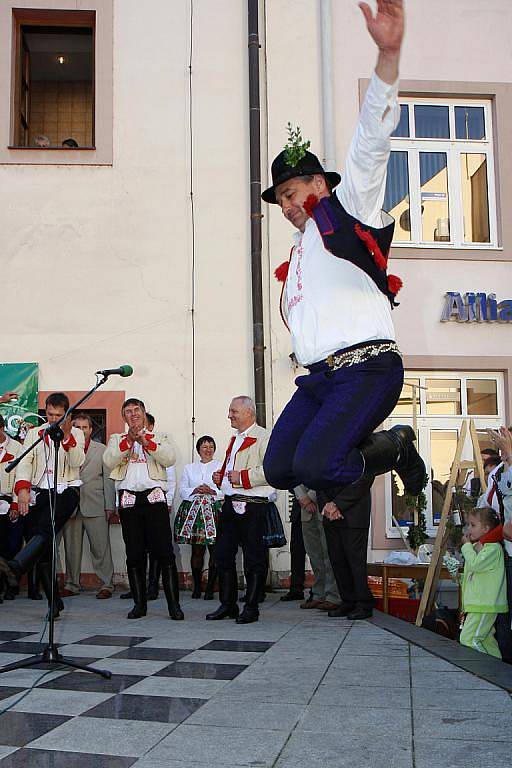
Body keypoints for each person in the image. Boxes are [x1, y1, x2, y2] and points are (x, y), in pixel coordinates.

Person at [261, 0, 425, 522]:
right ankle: (342, 471)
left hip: (367, 367)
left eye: (293, 192)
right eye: (280, 199)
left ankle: (396, 446)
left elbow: (371, 146)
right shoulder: (299, 253)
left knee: (315, 461)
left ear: (320, 184)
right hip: (319, 379)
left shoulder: (346, 210)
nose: (288, 206)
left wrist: (388, 56)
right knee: (281, 467)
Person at [0, 392, 85, 619]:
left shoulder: (76, 433)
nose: (53, 419)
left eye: (58, 415)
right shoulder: (34, 433)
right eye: (49, 414)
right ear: (45, 412)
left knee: (44, 529)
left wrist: (66, 437)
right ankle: (54, 602)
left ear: (67, 413)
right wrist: (23, 491)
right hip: (40, 491)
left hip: (67, 489)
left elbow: (78, 462)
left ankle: (17, 565)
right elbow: (25, 462)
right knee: (44, 549)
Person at [103, 398, 183, 620]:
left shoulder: (160, 437)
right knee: (134, 554)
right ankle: (140, 604)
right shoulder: (117, 438)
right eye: (128, 412)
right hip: (129, 500)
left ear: (145, 413)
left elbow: (169, 458)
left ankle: (173, 605)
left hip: (154, 498)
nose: (133, 414)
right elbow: (109, 461)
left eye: (136, 410)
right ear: (124, 417)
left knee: (165, 553)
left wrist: (146, 440)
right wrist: (129, 440)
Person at [206, 396, 276, 624]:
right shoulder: (235, 438)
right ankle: (228, 604)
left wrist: (242, 477)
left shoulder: (265, 437)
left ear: (249, 412)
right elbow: (233, 470)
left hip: (254, 505)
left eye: (233, 411)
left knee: (254, 557)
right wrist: (222, 478)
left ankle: (252, 606)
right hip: (230, 502)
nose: (229, 415)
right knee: (222, 554)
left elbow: (272, 470)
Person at [61, 412, 116, 599]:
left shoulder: (101, 449)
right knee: (71, 549)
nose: (82, 431)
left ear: (91, 430)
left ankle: (107, 584)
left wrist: (110, 505)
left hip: (96, 504)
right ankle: (71, 584)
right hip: (70, 506)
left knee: (101, 548)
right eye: (77, 427)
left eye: (85, 427)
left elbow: (109, 479)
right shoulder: (65, 447)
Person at [175, 435, 222, 599]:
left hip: (214, 511)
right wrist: (195, 490)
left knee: (215, 551)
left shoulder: (220, 466)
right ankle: (197, 586)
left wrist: (213, 491)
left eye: (211, 446)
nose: (208, 450)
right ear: (198, 450)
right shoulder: (189, 468)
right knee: (197, 551)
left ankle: (210, 588)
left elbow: (228, 489)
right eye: (204, 447)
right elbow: (182, 488)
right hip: (194, 513)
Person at [319, 480, 375, 619]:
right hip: (330, 514)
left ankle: (364, 604)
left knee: (355, 562)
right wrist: (326, 505)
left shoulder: (363, 457)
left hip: (354, 513)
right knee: (337, 561)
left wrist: (337, 504)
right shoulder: (323, 457)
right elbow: (317, 477)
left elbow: (364, 480)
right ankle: (348, 601)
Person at [460, 506, 507, 658]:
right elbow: (472, 573)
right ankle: (497, 669)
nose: (469, 529)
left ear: (486, 528)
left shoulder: (492, 549)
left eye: (473, 525)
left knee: (468, 639)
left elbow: (475, 564)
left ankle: (483, 670)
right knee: (485, 640)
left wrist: (466, 547)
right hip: (478, 603)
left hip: (484, 604)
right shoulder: (479, 547)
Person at [294, 484, 340, 611]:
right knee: (314, 554)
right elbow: (294, 474)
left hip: (325, 504)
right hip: (305, 509)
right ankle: (318, 594)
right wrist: (302, 497)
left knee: (328, 555)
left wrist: (309, 497)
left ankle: (333, 596)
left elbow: (322, 474)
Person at [0, 413, 22, 601]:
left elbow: (20, 477)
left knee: (11, 546)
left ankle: (11, 582)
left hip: (9, 503)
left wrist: (16, 503)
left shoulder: (16, 447)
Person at [280, 492, 306, 602]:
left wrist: (310, 497)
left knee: (319, 553)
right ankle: (296, 588)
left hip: (317, 505)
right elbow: (291, 480)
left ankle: (320, 590)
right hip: (299, 508)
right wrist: (302, 496)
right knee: (297, 550)